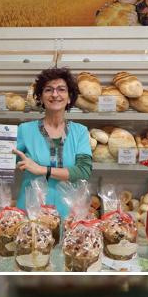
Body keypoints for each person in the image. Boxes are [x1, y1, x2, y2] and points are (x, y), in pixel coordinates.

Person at [13, 67, 92, 218]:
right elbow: (3, 160)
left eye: (61, 89)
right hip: (32, 211)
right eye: (48, 90)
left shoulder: (80, 131)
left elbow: (83, 170)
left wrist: (41, 170)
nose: (55, 94)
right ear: (41, 97)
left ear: (69, 97)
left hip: (67, 210)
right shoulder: (25, 130)